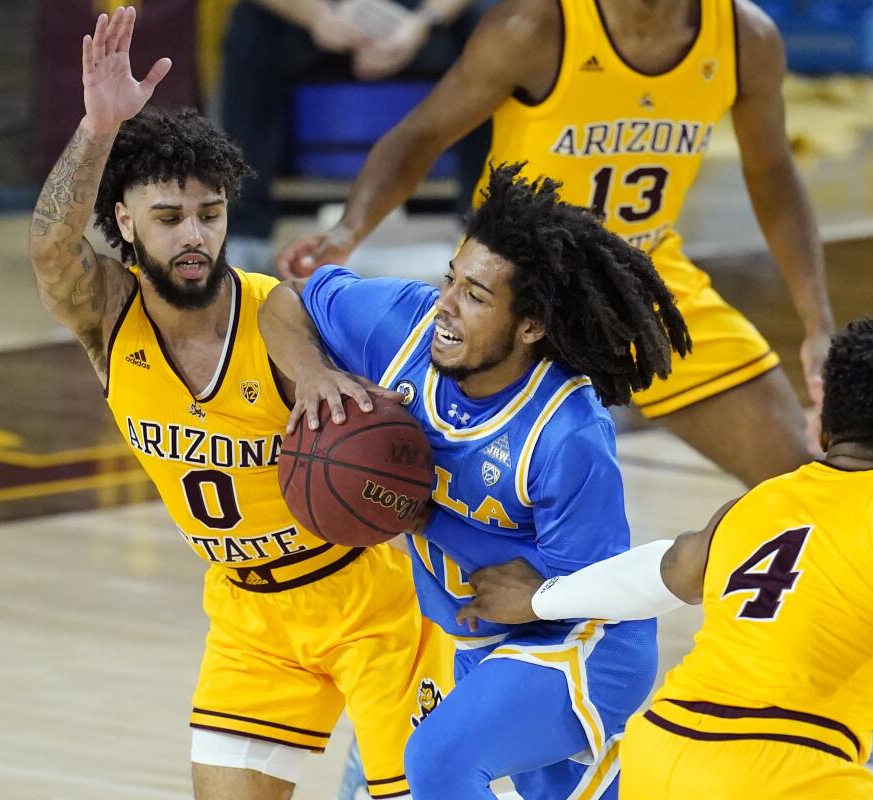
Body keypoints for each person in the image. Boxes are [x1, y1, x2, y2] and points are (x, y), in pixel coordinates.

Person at [27, 9, 452, 799]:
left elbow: (381, 377)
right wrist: (98, 127)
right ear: (124, 222)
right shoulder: (109, 320)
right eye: (169, 217)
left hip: (365, 602)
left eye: (210, 215)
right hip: (247, 618)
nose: (194, 235)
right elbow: (52, 250)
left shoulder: (286, 320)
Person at [258, 162, 691, 798]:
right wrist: (315, 374)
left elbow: (597, 591)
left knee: (436, 761)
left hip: (581, 646)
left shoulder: (566, 434)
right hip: (481, 642)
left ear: (531, 327)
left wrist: (427, 519)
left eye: (476, 296)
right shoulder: (400, 327)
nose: (446, 307)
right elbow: (286, 297)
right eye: (450, 280)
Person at [277, 0, 832, 489]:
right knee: (443, 498)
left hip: (645, 281)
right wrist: (348, 230)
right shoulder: (535, 25)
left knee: (799, 479)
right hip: (511, 290)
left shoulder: (744, 38)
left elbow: (775, 178)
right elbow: (423, 133)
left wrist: (818, 324)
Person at [457, 317, 873, 800]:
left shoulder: (756, 503)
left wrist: (539, 597)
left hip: (660, 749)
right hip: (786, 768)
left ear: (824, 430)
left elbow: (663, 571)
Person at [220, 0, 490, 274]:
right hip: (319, 16)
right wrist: (318, 18)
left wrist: (423, 23)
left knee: (490, 29)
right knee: (250, 26)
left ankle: (482, 228)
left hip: (417, 20)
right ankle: (246, 230)